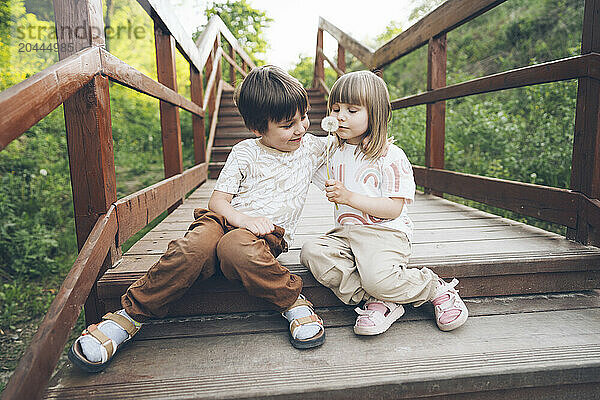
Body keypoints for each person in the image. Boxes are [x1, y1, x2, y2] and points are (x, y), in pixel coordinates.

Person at [69, 65, 328, 373]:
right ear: (259, 129)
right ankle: (128, 317)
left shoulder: (311, 147)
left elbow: (351, 141)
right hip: (223, 219)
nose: (300, 128)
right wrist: (241, 218)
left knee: (236, 249)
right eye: (288, 124)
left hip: (264, 234)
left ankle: (292, 300)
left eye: (304, 117)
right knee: (192, 249)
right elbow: (218, 201)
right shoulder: (245, 152)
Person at [301, 71, 468, 336]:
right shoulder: (332, 152)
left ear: (375, 114)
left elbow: (394, 208)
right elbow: (307, 167)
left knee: (377, 276)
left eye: (352, 110)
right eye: (336, 108)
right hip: (345, 235)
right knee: (312, 252)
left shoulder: (389, 156)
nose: (340, 116)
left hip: (385, 233)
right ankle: (377, 299)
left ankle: (434, 288)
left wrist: (350, 197)